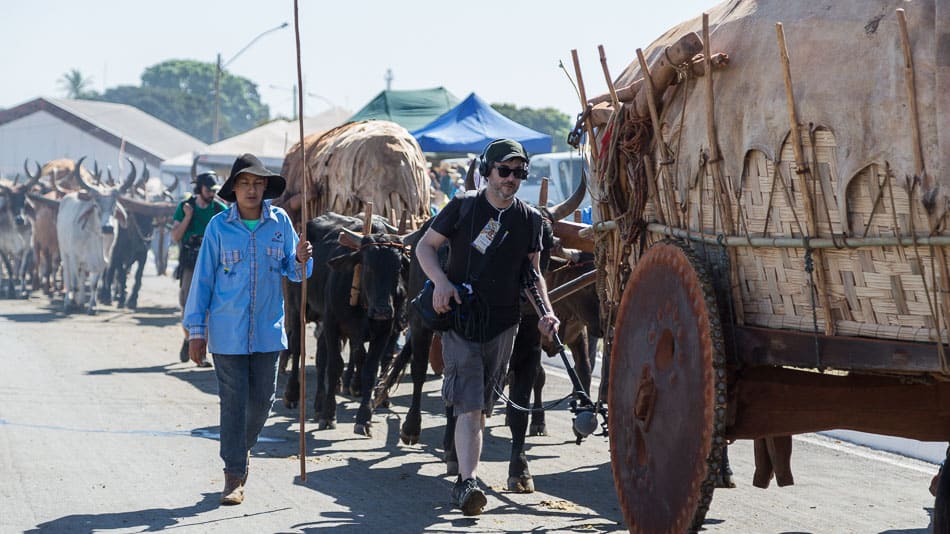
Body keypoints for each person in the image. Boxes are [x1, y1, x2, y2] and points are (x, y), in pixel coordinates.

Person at [415, 139, 559, 516]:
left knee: (482, 408)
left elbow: (534, 274)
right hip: (462, 320)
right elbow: (425, 248)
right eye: (504, 171)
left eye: (518, 172)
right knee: (469, 403)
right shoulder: (463, 207)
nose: (511, 179)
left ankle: (466, 475)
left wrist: (547, 312)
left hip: (504, 325)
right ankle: (467, 483)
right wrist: (442, 284)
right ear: (488, 170)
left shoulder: (529, 220)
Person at [183, 153, 313, 506]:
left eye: (258, 184)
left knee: (262, 402)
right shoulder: (218, 227)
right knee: (233, 402)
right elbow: (203, 280)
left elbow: (295, 273)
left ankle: (241, 450)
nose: (252, 190)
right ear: (234, 189)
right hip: (227, 333)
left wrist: (302, 257)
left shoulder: (280, 222)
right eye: (245, 184)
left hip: (269, 331)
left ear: (266, 188)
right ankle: (233, 475)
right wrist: (197, 330)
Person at [171, 171, 228, 366]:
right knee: (187, 303)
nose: (211, 193)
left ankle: (201, 352)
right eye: (208, 189)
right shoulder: (186, 207)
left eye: (214, 190)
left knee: (209, 307)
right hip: (190, 262)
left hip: (213, 263)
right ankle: (188, 339)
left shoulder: (219, 209)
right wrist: (188, 217)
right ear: (199, 188)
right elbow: (176, 236)